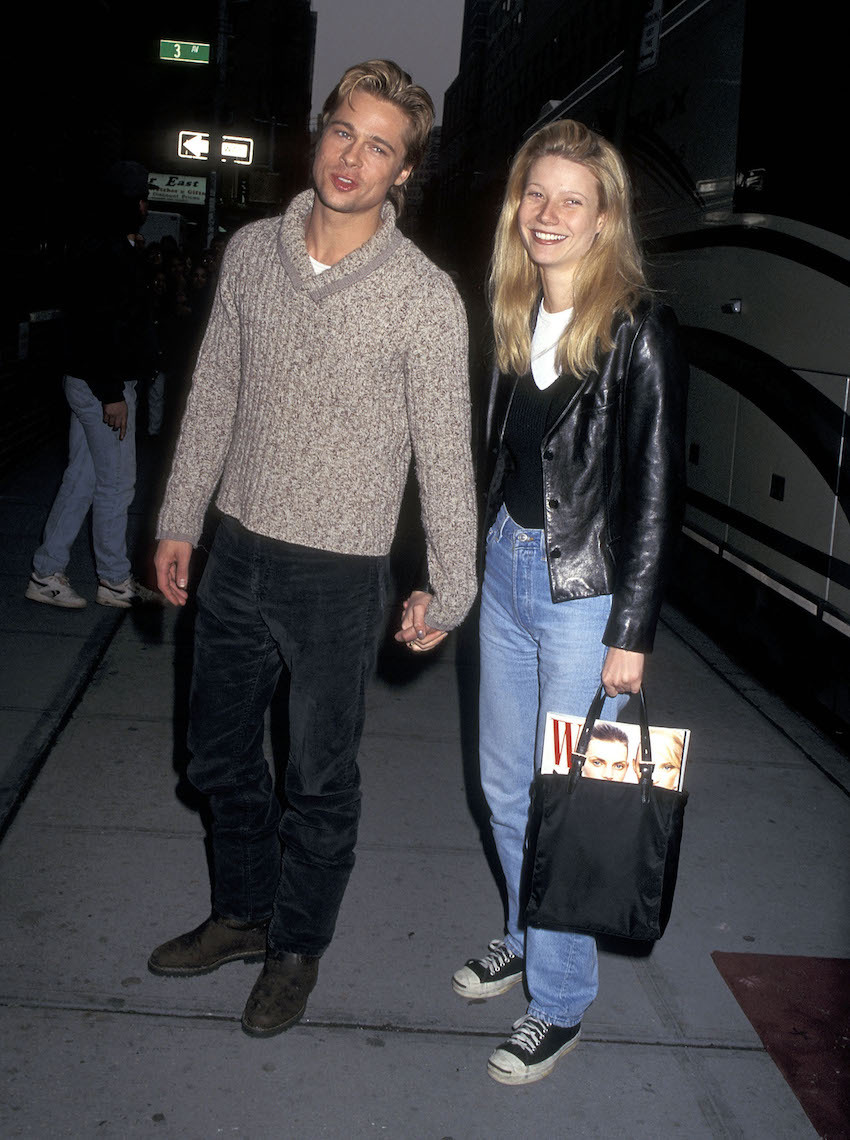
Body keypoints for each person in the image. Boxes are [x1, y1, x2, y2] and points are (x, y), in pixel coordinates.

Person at [147, 60, 478, 1038]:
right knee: (215, 757)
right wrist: (179, 516)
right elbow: (214, 391)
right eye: (343, 132)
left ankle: (295, 949)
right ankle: (243, 914)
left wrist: (451, 586)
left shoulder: (423, 298)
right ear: (318, 132)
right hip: (237, 550)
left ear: (403, 172)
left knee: (319, 782)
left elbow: (445, 457)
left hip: (338, 575)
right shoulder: (252, 252)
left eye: (380, 147)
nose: (352, 158)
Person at [451, 119, 687, 1084]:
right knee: (506, 787)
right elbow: (495, 461)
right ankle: (523, 933)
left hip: (587, 598)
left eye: (571, 200)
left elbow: (659, 493)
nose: (547, 214)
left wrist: (631, 632)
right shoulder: (512, 311)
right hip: (506, 572)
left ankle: (559, 1002)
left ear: (604, 218)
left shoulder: (639, 328)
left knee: (571, 806)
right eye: (535, 194)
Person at [26, 161, 163, 609]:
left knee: (82, 479)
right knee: (117, 485)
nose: (145, 207)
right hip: (105, 387)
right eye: (140, 199)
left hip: (91, 383)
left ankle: (47, 572)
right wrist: (112, 393)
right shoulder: (109, 253)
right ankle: (114, 580)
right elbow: (98, 328)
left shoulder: (101, 247)